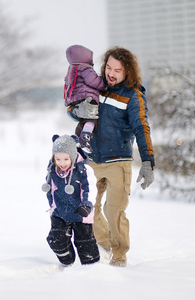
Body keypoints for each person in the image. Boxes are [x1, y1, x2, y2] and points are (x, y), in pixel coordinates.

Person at [77, 47, 155, 267]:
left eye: (117, 70)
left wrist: (148, 161)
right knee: (86, 208)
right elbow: (74, 108)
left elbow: (142, 128)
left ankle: (119, 256)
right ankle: (104, 242)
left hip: (117, 162)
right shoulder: (97, 88)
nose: (111, 73)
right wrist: (77, 111)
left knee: (114, 211)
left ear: (127, 71)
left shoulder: (133, 95)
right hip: (92, 159)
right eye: (108, 67)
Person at [41, 134, 100, 266]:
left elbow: (89, 189)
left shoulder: (83, 170)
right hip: (60, 213)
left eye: (66, 159)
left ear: (72, 156)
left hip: (81, 213)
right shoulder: (52, 170)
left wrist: (87, 205)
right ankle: (67, 263)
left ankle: (92, 268)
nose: (62, 163)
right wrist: (52, 207)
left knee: (85, 244)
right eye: (58, 159)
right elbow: (50, 190)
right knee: (55, 240)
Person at [64, 44, 106, 153]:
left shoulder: (72, 69)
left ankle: (77, 140)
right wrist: (104, 83)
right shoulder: (85, 68)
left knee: (84, 121)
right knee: (92, 118)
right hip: (86, 98)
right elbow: (93, 81)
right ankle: (85, 138)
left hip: (76, 100)